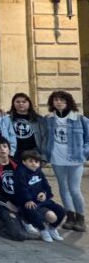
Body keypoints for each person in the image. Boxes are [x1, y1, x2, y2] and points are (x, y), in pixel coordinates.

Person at [43, 90, 89, 232]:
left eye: (62, 100)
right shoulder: (49, 119)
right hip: (57, 158)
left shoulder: (80, 118)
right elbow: (45, 137)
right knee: (63, 188)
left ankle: (81, 218)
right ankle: (70, 216)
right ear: (52, 103)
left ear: (68, 102)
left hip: (75, 159)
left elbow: (88, 139)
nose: (59, 102)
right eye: (56, 100)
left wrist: (84, 153)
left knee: (74, 189)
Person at [0, 137, 32, 241]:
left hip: (20, 200)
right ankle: (1, 221)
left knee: (49, 216)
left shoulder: (19, 164)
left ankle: (23, 219)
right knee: (19, 235)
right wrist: (6, 203)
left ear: (9, 149)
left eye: (5, 146)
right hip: (2, 204)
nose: (2, 149)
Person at [14, 150, 65, 243]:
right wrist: (28, 199)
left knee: (61, 211)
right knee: (33, 212)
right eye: (30, 161)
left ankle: (52, 229)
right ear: (24, 162)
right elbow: (21, 188)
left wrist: (44, 193)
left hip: (41, 201)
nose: (34, 164)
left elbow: (46, 186)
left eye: (36, 162)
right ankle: (43, 230)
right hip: (27, 202)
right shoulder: (20, 172)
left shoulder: (39, 172)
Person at [2, 93, 46, 161]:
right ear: (13, 103)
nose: (21, 104)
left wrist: (43, 157)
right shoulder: (7, 117)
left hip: (33, 152)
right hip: (13, 153)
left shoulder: (38, 119)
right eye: (18, 102)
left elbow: (44, 138)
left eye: (24, 102)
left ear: (29, 103)